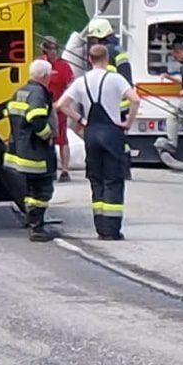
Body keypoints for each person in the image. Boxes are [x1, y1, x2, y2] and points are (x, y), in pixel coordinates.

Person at [58, 43, 137, 239]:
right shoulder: (116, 79)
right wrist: (128, 121)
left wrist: (81, 120)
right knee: (113, 179)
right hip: (112, 133)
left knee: (96, 180)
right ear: (107, 58)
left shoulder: (81, 81)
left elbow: (61, 105)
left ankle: (100, 228)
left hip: (91, 133)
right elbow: (135, 99)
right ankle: (112, 230)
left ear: (89, 60)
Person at [5, 59, 58, 241]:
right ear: (44, 76)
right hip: (36, 152)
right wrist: (47, 134)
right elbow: (36, 119)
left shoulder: (20, 91)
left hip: (22, 150)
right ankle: (37, 228)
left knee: (31, 191)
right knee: (42, 191)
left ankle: (33, 223)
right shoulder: (37, 94)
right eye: (50, 75)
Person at [40, 36, 77, 180]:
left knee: (62, 139)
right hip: (42, 106)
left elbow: (70, 86)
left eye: (55, 48)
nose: (53, 52)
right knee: (44, 137)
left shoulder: (64, 66)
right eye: (50, 48)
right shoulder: (40, 63)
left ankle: (65, 170)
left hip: (60, 106)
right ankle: (47, 168)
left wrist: (62, 103)